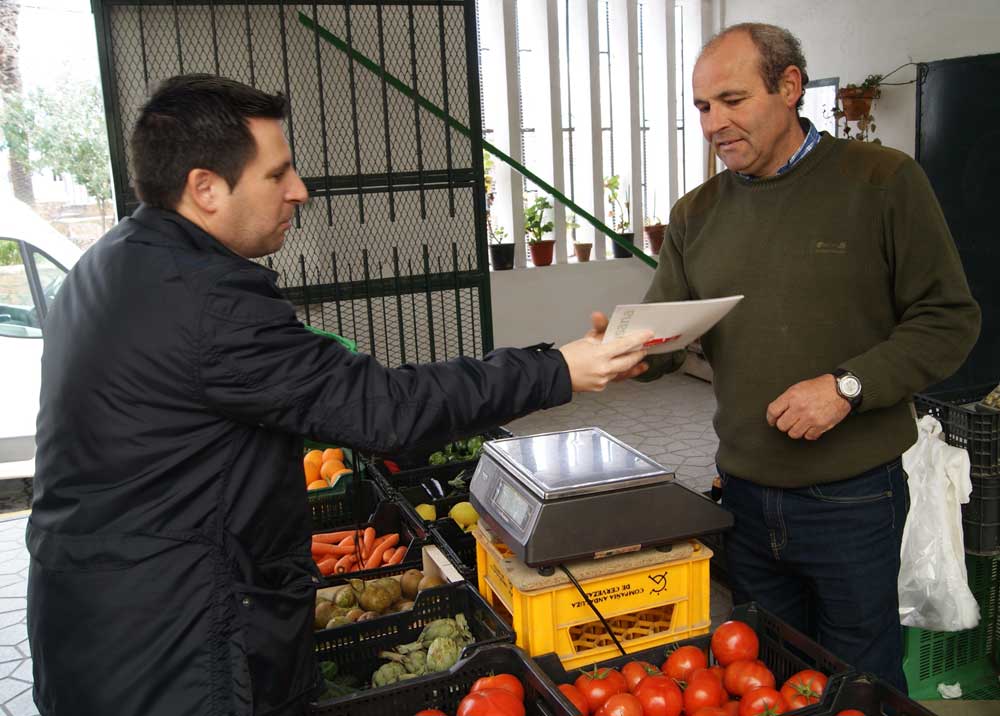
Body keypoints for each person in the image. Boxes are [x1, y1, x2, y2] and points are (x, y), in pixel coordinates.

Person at [25, 74, 651, 716]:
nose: (300, 190)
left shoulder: (107, 265)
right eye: (278, 174)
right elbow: (385, 410)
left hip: (99, 625)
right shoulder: (204, 300)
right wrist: (558, 368)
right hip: (175, 649)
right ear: (205, 188)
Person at [638, 23, 980, 690]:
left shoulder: (883, 181)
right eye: (703, 108)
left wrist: (847, 387)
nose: (714, 123)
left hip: (853, 498)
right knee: (766, 679)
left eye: (732, 101)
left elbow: (949, 321)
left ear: (789, 87)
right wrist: (627, 347)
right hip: (740, 493)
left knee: (859, 683)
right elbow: (666, 333)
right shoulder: (696, 214)